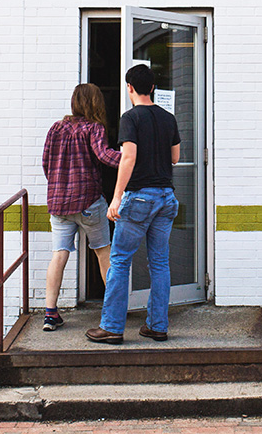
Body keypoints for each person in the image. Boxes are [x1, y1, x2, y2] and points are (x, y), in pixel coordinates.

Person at [86, 64, 180, 345]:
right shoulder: (168, 118)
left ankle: (113, 327)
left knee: (119, 260)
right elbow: (175, 157)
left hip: (139, 197)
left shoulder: (130, 118)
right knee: (160, 263)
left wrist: (116, 197)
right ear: (152, 88)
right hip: (166, 198)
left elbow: (128, 158)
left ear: (129, 88)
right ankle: (157, 326)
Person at [41, 83, 122, 332]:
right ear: (96, 103)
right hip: (88, 201)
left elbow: (46, 162)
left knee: (59, 254)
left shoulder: (56, 128)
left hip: (59, 204)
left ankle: (50, 313)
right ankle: (113, 311)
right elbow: (105, 156)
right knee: (103, 253)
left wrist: (58, 185)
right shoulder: (93, 128)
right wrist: (130, 158)